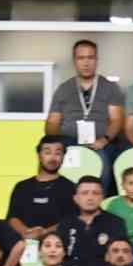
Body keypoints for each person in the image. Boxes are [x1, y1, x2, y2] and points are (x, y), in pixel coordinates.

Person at [46, 39, 124, 190]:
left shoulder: (110, 87)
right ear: (74, 61)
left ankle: (99, 200)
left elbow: (116, 120)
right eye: (81, 58)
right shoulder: (64, 89)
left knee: (102, 159)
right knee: (50, 157)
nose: (86, 63)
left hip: (99, 142)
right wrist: (57, 143)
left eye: (90, 58)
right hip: (68, 142)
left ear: (96, 60)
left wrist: (104, 139)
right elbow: (52, 122)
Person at [7, 136, 77, 244]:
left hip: (57, 245)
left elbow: (71, 220)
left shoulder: (70, 187)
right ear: (39, 155)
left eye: (58, 153)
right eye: (47, 152)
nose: (53, 158)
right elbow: (12, 218)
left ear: (63, 157)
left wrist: (44, 233)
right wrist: (26, 233)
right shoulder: (22, 186)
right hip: (25, 244)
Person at [57, 175, 128, 266]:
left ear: (102, 197)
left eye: (95, 193)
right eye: (85, 193)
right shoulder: (65, 224)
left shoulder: (115, 223)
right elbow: (58, 259)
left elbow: (120, 260)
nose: (90, 198)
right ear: (76, 198)